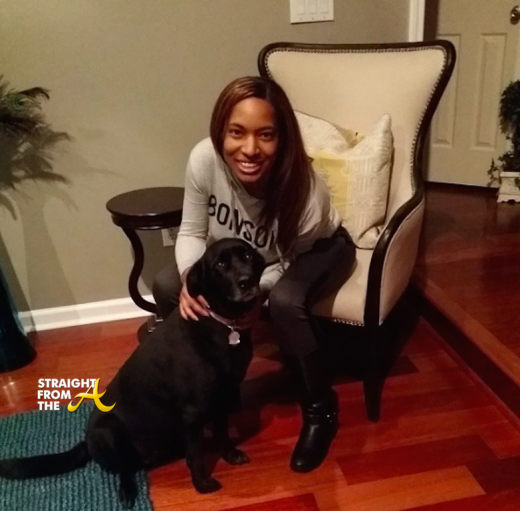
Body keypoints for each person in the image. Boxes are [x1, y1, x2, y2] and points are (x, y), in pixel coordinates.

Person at [152, 76, 356, 473]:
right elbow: (191, 232)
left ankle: (321, 412)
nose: (249, 149)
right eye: (237, 132)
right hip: (247, 258)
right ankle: (211, 384)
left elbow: (284, 260)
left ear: (282, 139)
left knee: (285, 302)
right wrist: (191, 280)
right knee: (167, 285)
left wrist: (259, 292)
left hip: (318, 248)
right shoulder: (204, 160)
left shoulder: (306, 193)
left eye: (265, 135)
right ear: (221, 132)